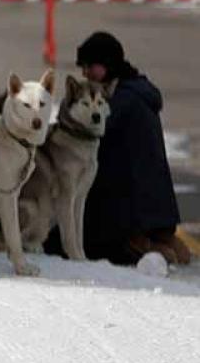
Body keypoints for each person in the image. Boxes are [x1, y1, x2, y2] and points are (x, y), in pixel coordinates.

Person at [76, 32, 191, 266]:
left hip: (134, 214)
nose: (85, 73)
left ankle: (148, 249)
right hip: (159, 210)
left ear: (105, 66)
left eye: (89, 66)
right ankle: (167, 244)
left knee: (78, 240)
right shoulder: (139, 91)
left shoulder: (122, 102)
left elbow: (94, 143)